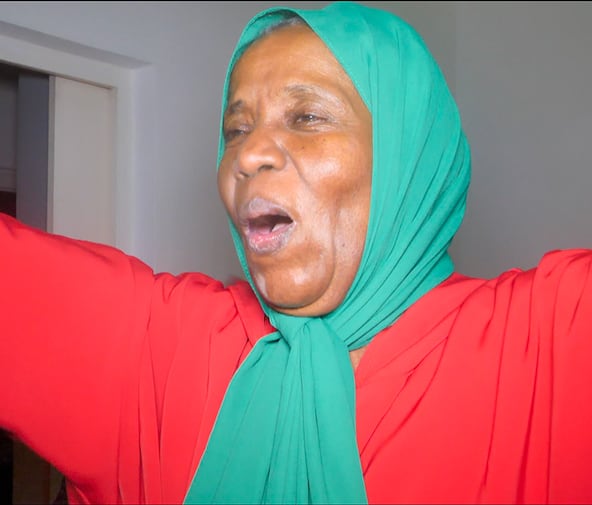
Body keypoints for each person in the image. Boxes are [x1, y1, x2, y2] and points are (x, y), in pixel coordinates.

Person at [1, 2, 591, 504]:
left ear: (409, 159)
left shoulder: (551, 342)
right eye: (236, 130)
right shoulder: (160, 347)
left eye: (307, 117)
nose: (246, 155)